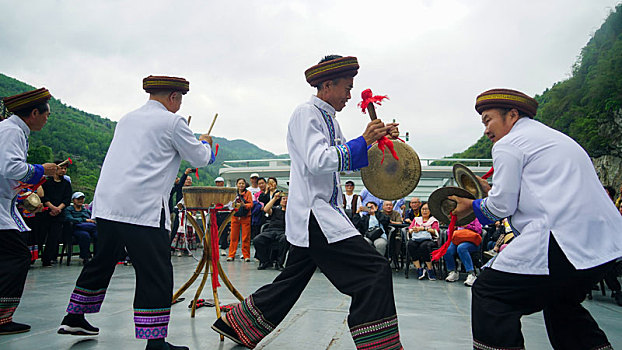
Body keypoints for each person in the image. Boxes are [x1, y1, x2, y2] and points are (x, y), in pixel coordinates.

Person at [211, 55, 403, 349]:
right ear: (327, 85)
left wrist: (377, 141)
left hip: (324, 213)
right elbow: (317, 161)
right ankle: (380, 345)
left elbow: (344, 162)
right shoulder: (306, 114)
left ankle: (237, 324)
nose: (350, 96)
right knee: (374, 270)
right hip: (316, 215)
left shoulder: (330, 120)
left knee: (292, 278)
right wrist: (363, 141)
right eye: (346, 88)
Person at [450, 88, 622, 350]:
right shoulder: (554, 139)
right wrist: (491, 194)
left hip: (564, 238)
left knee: (490, 292)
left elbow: (501, 206)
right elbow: (537, 192)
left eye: (488, 120)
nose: (486, 130)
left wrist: (471, 206)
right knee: (561, 303)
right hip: (604, 242)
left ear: (513, 115)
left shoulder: (508, 144)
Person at [58, 75, 214, 350]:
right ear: (174, 97)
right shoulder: (173, 121)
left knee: (102, 260)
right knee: (155, 271)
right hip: (141, 207)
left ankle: (75, 315)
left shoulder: (127, 119)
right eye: (179, 99)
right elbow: (199, 158)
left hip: (109, 204)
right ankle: (156, 342)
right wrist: (204, 143)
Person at [0, 88, 58, 335]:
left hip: (5, 204)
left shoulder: (13, 130)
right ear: (34, 113)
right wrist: (40, 170)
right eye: (46, 114)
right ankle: (2, 318)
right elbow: (10, 167)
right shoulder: (12, 131)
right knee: (17, 257)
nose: (47, 119)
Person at [41, 160, 72, 266]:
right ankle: (36, 256)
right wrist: (51, 207)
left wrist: (58, 209)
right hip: (46, 212)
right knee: (41, 236)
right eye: (61, 168)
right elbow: (43, 197)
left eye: (65, 168)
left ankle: (48, 259)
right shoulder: (46, 182)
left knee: (54, 237)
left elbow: (67, 199)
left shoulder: (66, 184)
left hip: (59, 214)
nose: (63, 170)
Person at [254, 192, 289, 270]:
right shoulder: (275, 209)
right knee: (257, 240)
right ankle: (265, 261)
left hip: (283, 232)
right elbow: (266, 209)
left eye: (287, 199)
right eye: (283, 199)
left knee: (285, 239)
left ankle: (279, 263)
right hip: (270, 230)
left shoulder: (291, 212)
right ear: (280, 201)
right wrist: (275, 198)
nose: (285, 201)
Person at [406, 202, 439, 280]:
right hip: (417, 238)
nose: (424, 211)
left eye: (426, 209)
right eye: (423, 209)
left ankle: (430, 269)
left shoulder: (433, 220)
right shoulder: (416, 219)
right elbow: (409, 230)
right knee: (410, 244)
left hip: (429, 239)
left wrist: (424, 228)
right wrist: (413, 230)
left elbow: (436, 231)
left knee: (424, 246)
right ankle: (419, 268)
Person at [443, 218, 481, 286]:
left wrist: (467, 226)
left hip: (471, 241)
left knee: (461, 248)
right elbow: (448, 232)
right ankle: (453, 271)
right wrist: (453, 228)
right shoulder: (456, 218)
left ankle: (471, 274)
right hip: (457, 239)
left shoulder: (474, 218)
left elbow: (479, 230)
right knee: (447, 250)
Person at [64, 192, 97, 265]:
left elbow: (92, 218)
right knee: (85, 235)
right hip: (75, 229)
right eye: (78, 199)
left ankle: (97, 256)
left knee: (98, 235)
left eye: (82, 199)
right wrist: (84, 220)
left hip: (89, 228)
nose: (80, 200)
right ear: (73, 200)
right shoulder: (69, 209)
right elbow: (69, 218)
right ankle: (85, 257)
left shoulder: (85, 210)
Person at [227, 178, 252, 262]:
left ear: (245, 185)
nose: (241, 185)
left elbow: (251, 204)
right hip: (235, 216)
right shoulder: (233, 193)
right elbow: (229, 204)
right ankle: (231, 255)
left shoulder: (248, 193)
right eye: (239, 183)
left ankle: (246, 256)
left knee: (245, 237)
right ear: (237, 184)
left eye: (242, 183)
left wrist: (244, 205)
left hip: (245, 217)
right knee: (233, 237)